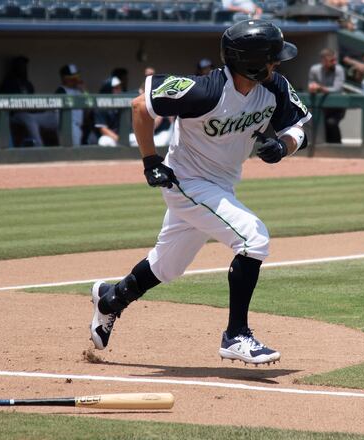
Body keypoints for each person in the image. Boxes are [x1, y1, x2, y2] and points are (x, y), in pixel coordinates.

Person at [88, 20, 311, 366]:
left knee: (166, 267)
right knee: (253, 238)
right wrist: (150, 161)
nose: (277, 64)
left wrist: (283, 145)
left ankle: (109, 300)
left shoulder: (275, 87)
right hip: (186, 181)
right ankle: (236, 335)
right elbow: (139, 107)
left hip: (221, 185)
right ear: (250, 61)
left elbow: (298, 130)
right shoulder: (204, 91)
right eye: (272, 58)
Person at [0, 56, 58, 147]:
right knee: (29, 118)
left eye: (24, 66)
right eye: (20, 66)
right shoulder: (8, 83)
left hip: (30, 113)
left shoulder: (27, 84)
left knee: (54, 115)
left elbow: (33, 101)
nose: (23, 69)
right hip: (14, 115)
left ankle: (62, 145)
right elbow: (6, 105)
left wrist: (37, 109)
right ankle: (40, 147)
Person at [308, 48, 345, 143]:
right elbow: (311, 85)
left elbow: (337, 88)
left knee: (331, 122)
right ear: (323, 61)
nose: (334, 62)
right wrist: (313, 87)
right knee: (323, 125)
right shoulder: (315, 69)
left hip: (338, 105)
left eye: (334, 60)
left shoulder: (339, 69)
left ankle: (337, 146)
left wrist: (321, 88)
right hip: (322, 105)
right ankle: (330, 149)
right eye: (331, 60)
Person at [55, 64, 86, 146]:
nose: (76, 80)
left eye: (77, 77)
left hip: (79, 126)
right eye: (73, 78)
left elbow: (90, 103)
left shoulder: (79, 90)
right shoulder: (61, 90)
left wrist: (84, 90)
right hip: (68, 126)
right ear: (65, 79)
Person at [92, 76, 122, 147]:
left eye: (119, 87)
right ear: (108, 89)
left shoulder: (122, 100)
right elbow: (103, 130)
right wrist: (120, 140)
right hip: (108, 137)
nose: (119, 90)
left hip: (123, 136)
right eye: (116, 88)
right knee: (104, 141)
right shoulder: (101, 105)